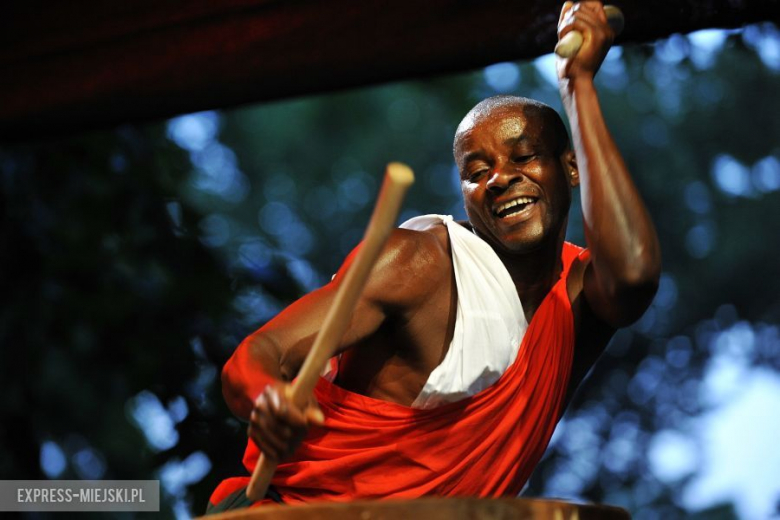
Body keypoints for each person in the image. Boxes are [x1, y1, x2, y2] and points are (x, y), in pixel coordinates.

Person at [207, 1, 661, 513]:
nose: (499, 178)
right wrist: (267, 399)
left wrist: (578, 85)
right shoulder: (416, 262)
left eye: (524, 156)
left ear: (571, 169)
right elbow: (257, 354)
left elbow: (635, 274)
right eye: (476, 171)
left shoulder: (579, 298)